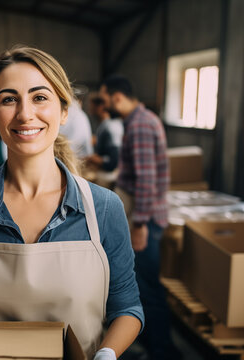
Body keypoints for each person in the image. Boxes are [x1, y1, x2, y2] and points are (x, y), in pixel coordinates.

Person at [0, 46, 143, 360]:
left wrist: (106, 353)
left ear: (64, 111)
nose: (25, 114)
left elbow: (127, 308)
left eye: (40, 97)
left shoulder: (103, 208)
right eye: (9, 99)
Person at [99, 75, 179, 360]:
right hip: (139, 216)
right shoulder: (135, 122)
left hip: (143, 219)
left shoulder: (141, 125)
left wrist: (140, 224)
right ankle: (148, 344)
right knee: (140, 284)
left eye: (105, 99)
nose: (103, 105)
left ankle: (163, 351)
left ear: (117, 97)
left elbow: (147, 180)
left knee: (146, 287)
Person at [85, 96, 124, 172]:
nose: (90, 110)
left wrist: (93, 159)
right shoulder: (104, 125)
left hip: (108, 174)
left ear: (100, 107)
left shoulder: (111, 127)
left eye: (92, 107)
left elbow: (114, 160)